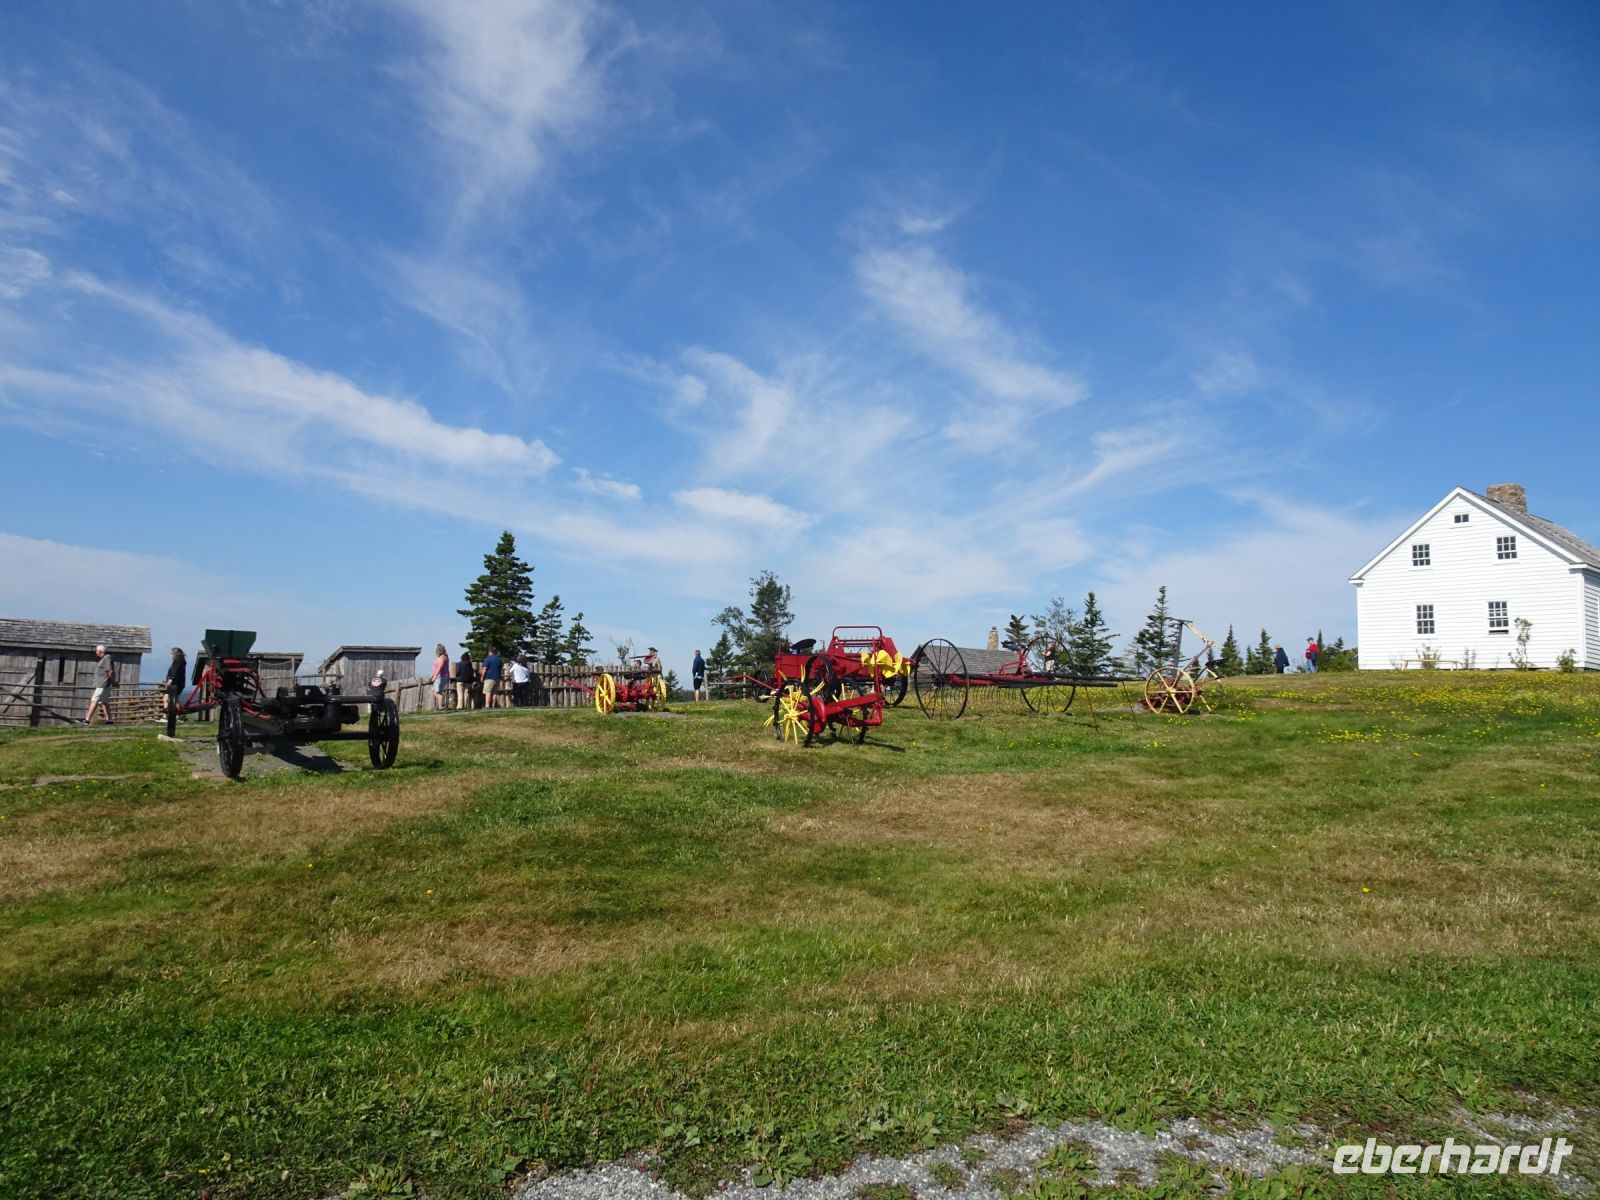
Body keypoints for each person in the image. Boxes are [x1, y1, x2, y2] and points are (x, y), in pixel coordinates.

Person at [82, 644, 117, 725]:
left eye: (96, 650)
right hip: (103, 684)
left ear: (100, 651)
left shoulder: (107, 657)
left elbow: (110, 671)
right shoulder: (104, 659)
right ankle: (109, 720)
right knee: (104, 702)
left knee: (94, 700)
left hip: (103, 684)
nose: (96, 652)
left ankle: (87, 720)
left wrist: (113, 681)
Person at [160, 646, 187, 721]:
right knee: (174, 700)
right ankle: (177, 716)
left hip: (175, 684)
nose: (170, 655)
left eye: (172, 653)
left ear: (175, 654)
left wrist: (171, 679)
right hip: (178, 683)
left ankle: (165, 716)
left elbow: (175, 671)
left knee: (167, 699)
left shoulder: (178, 662)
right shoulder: (180, 662)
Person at [430, 643, 451, 710]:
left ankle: (441, 706)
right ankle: (440, 705)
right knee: (435, 691)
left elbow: (440, 666)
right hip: (441, 676)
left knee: (437, 692)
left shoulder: (442, 657)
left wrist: (435, 675)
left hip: (440, 676)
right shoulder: (445, 657)